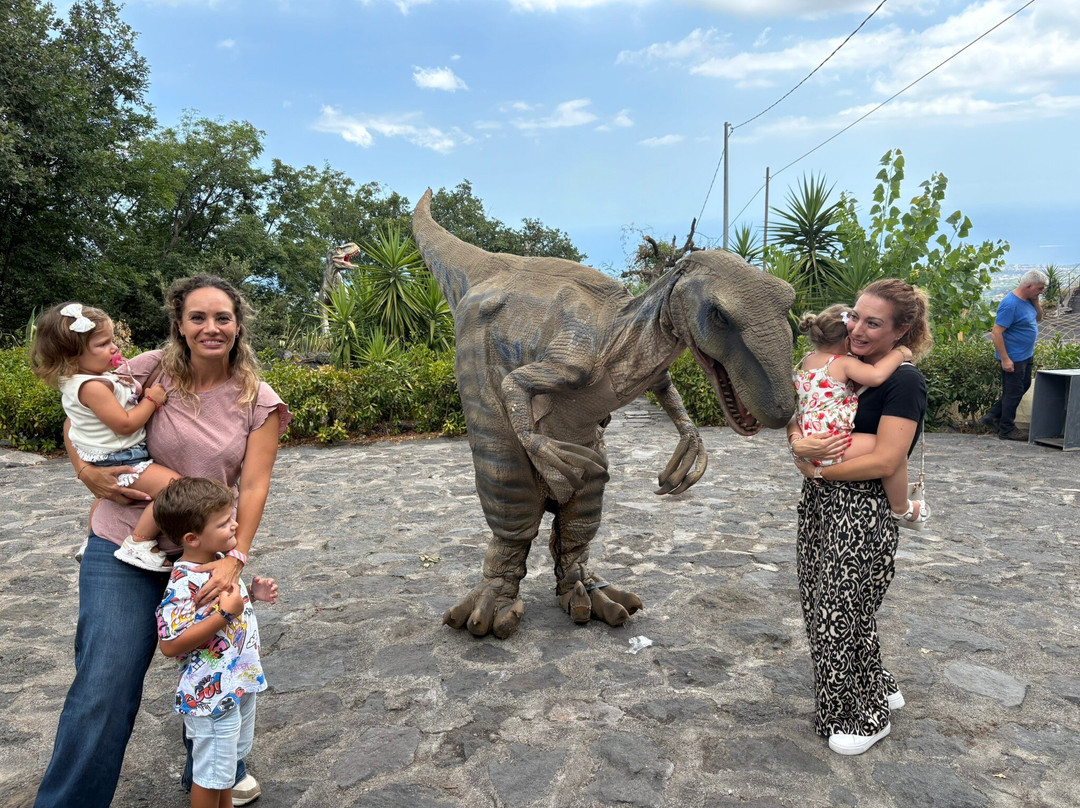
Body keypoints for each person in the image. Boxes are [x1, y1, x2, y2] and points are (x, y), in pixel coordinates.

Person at [34, 276, 292, 808]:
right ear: (180, 324)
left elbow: (255, 485)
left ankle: (216, 768)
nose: (210, 327)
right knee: (104, 683)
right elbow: (79, 412)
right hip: (122, 544)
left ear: (238, 325)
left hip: (205, 558)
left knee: (215, 660)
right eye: (198, 317)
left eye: (222, 317)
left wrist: (235, 560)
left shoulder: (257, 400)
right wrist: (85, 470)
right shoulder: (150, 368)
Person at [787, 279, 932, 756]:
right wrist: (798, 445)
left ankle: (863, 712)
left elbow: (889, 459)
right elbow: (802, 413)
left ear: (901, 330)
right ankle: (879, 681)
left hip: (861, 512)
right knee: (834, 606)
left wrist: (818, 470)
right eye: (856, 316)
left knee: (835, 613)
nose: (858, 328)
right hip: (821, 505)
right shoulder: (841, 369)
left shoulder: (902, 379)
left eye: (874, 322)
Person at [156, 477, 278, 808]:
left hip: (235, 686)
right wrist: (224, 615)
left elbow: (224, 609)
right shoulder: (184, 582)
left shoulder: (223, 561)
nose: (235, 524)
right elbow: (170, 644)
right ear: (192, 538)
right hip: (210, 697)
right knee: (209, 778)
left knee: (223, 775)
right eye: (224, 522)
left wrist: (251, 595)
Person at [30, 302, 180, 571]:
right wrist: (152, 401)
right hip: (122, 457)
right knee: (173, 488)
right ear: (72, 357)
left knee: (102, 498)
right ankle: (140, 542)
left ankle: (91, 540)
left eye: (112, 341)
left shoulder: (92, 379)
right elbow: (125, 424)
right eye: (102, 344)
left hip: (105, 457)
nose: (113, 348)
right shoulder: (92, 387)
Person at [793, 304, 928, 525]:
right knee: (894, 454)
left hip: (812, 438)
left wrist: (798, 444)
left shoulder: (806, 360)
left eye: (872, 323)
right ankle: (901, 508)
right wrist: (900, 352)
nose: (858, 332)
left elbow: (794, 411)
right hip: (834, 442)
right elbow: (875, 376)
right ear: (846, 340)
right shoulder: (844, 363)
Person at [980, 270, 1047, 441]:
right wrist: (1005, 358)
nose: (1042, 291)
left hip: (1025, 355)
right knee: (1013, 392)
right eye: (1039, 289)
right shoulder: (1010, 304)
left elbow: (1038, 318)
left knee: (1022, 386)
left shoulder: (1028, 301)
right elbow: (996, 332)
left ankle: (993, 415)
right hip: (1013, 357)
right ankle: (1007, 429)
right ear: (1028, 286)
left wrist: (1036, 301)